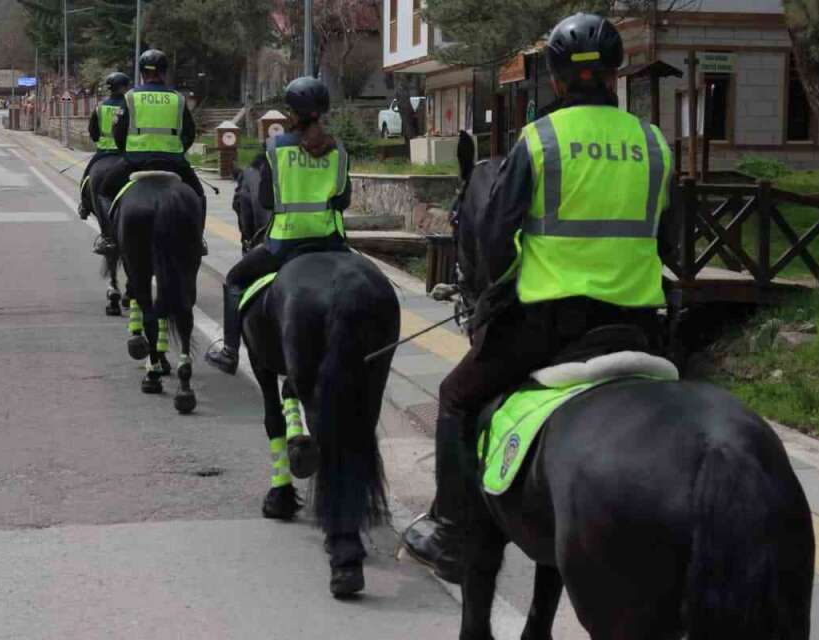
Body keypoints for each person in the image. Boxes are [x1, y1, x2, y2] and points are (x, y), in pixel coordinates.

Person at [399, 12, 674, 583]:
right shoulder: (654, 144)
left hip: (550, 324)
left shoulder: (541, 140)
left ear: (555, 78)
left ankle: (450, 528)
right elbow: (667, 237)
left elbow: (496, 237)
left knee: (454, 398)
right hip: (639, 325)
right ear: (614, 74)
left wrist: (498, 299)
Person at [204, 76, 351, 374]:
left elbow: (267, 201)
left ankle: (230, 351)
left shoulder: (275, 147)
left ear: (292, 113)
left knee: (234, 280)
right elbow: (343, 200)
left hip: (285, 244)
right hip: (332, 242)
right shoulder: (339, 150)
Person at [99, 50, 206, 223]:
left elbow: (118, 132)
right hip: (173, 161)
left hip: (136, 160)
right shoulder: (178, 99)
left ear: (141, 73)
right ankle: (198, 240)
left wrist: (126, 152)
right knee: (199, 196)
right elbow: (189, 132)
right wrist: (178, 151)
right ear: (164, 72)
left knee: (104, 192)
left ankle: (107, 236)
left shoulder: (130, 97)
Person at [80, 71, 131, 224]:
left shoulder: (100, 107)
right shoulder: (130, 106)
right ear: (123, 88)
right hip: (126, 153)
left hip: (103, 153)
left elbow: (93, 131)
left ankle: (84, 206)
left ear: (110, 88)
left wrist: (99, 140)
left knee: (85, 179)